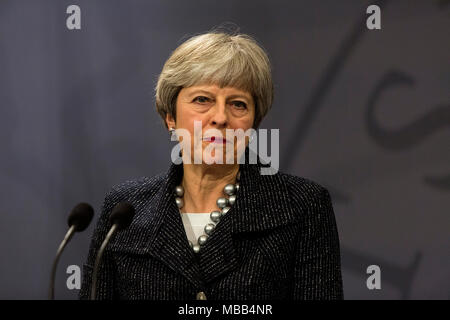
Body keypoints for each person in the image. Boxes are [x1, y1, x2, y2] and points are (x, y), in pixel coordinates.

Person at [79, 30, 343, 300]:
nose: (220, 117)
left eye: (238, 104)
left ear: (253, 124)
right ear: (171, 117)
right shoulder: (124, 211)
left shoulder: (302, 207)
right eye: (202, 100)